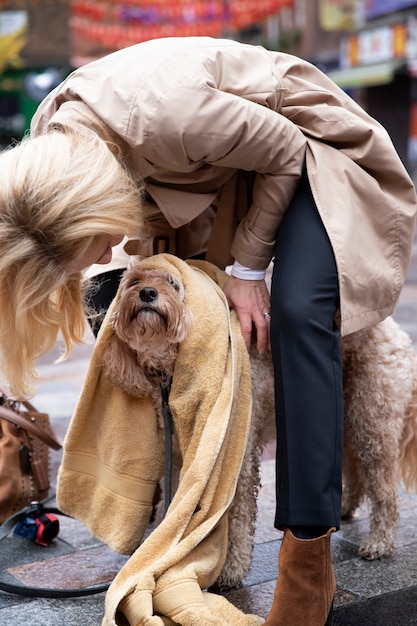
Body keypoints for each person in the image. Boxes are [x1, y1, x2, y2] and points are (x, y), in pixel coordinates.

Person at [0, 36, 415, 626]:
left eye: (91, 244)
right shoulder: (55, 145)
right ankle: (177, 513)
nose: (108, 250)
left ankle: (308, 555)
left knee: (297, 314)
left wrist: (247, 272)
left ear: (85, 207)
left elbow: (287, 150)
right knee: (182, 338)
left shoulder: (166, 113)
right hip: (219, 172)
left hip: (313, 151)